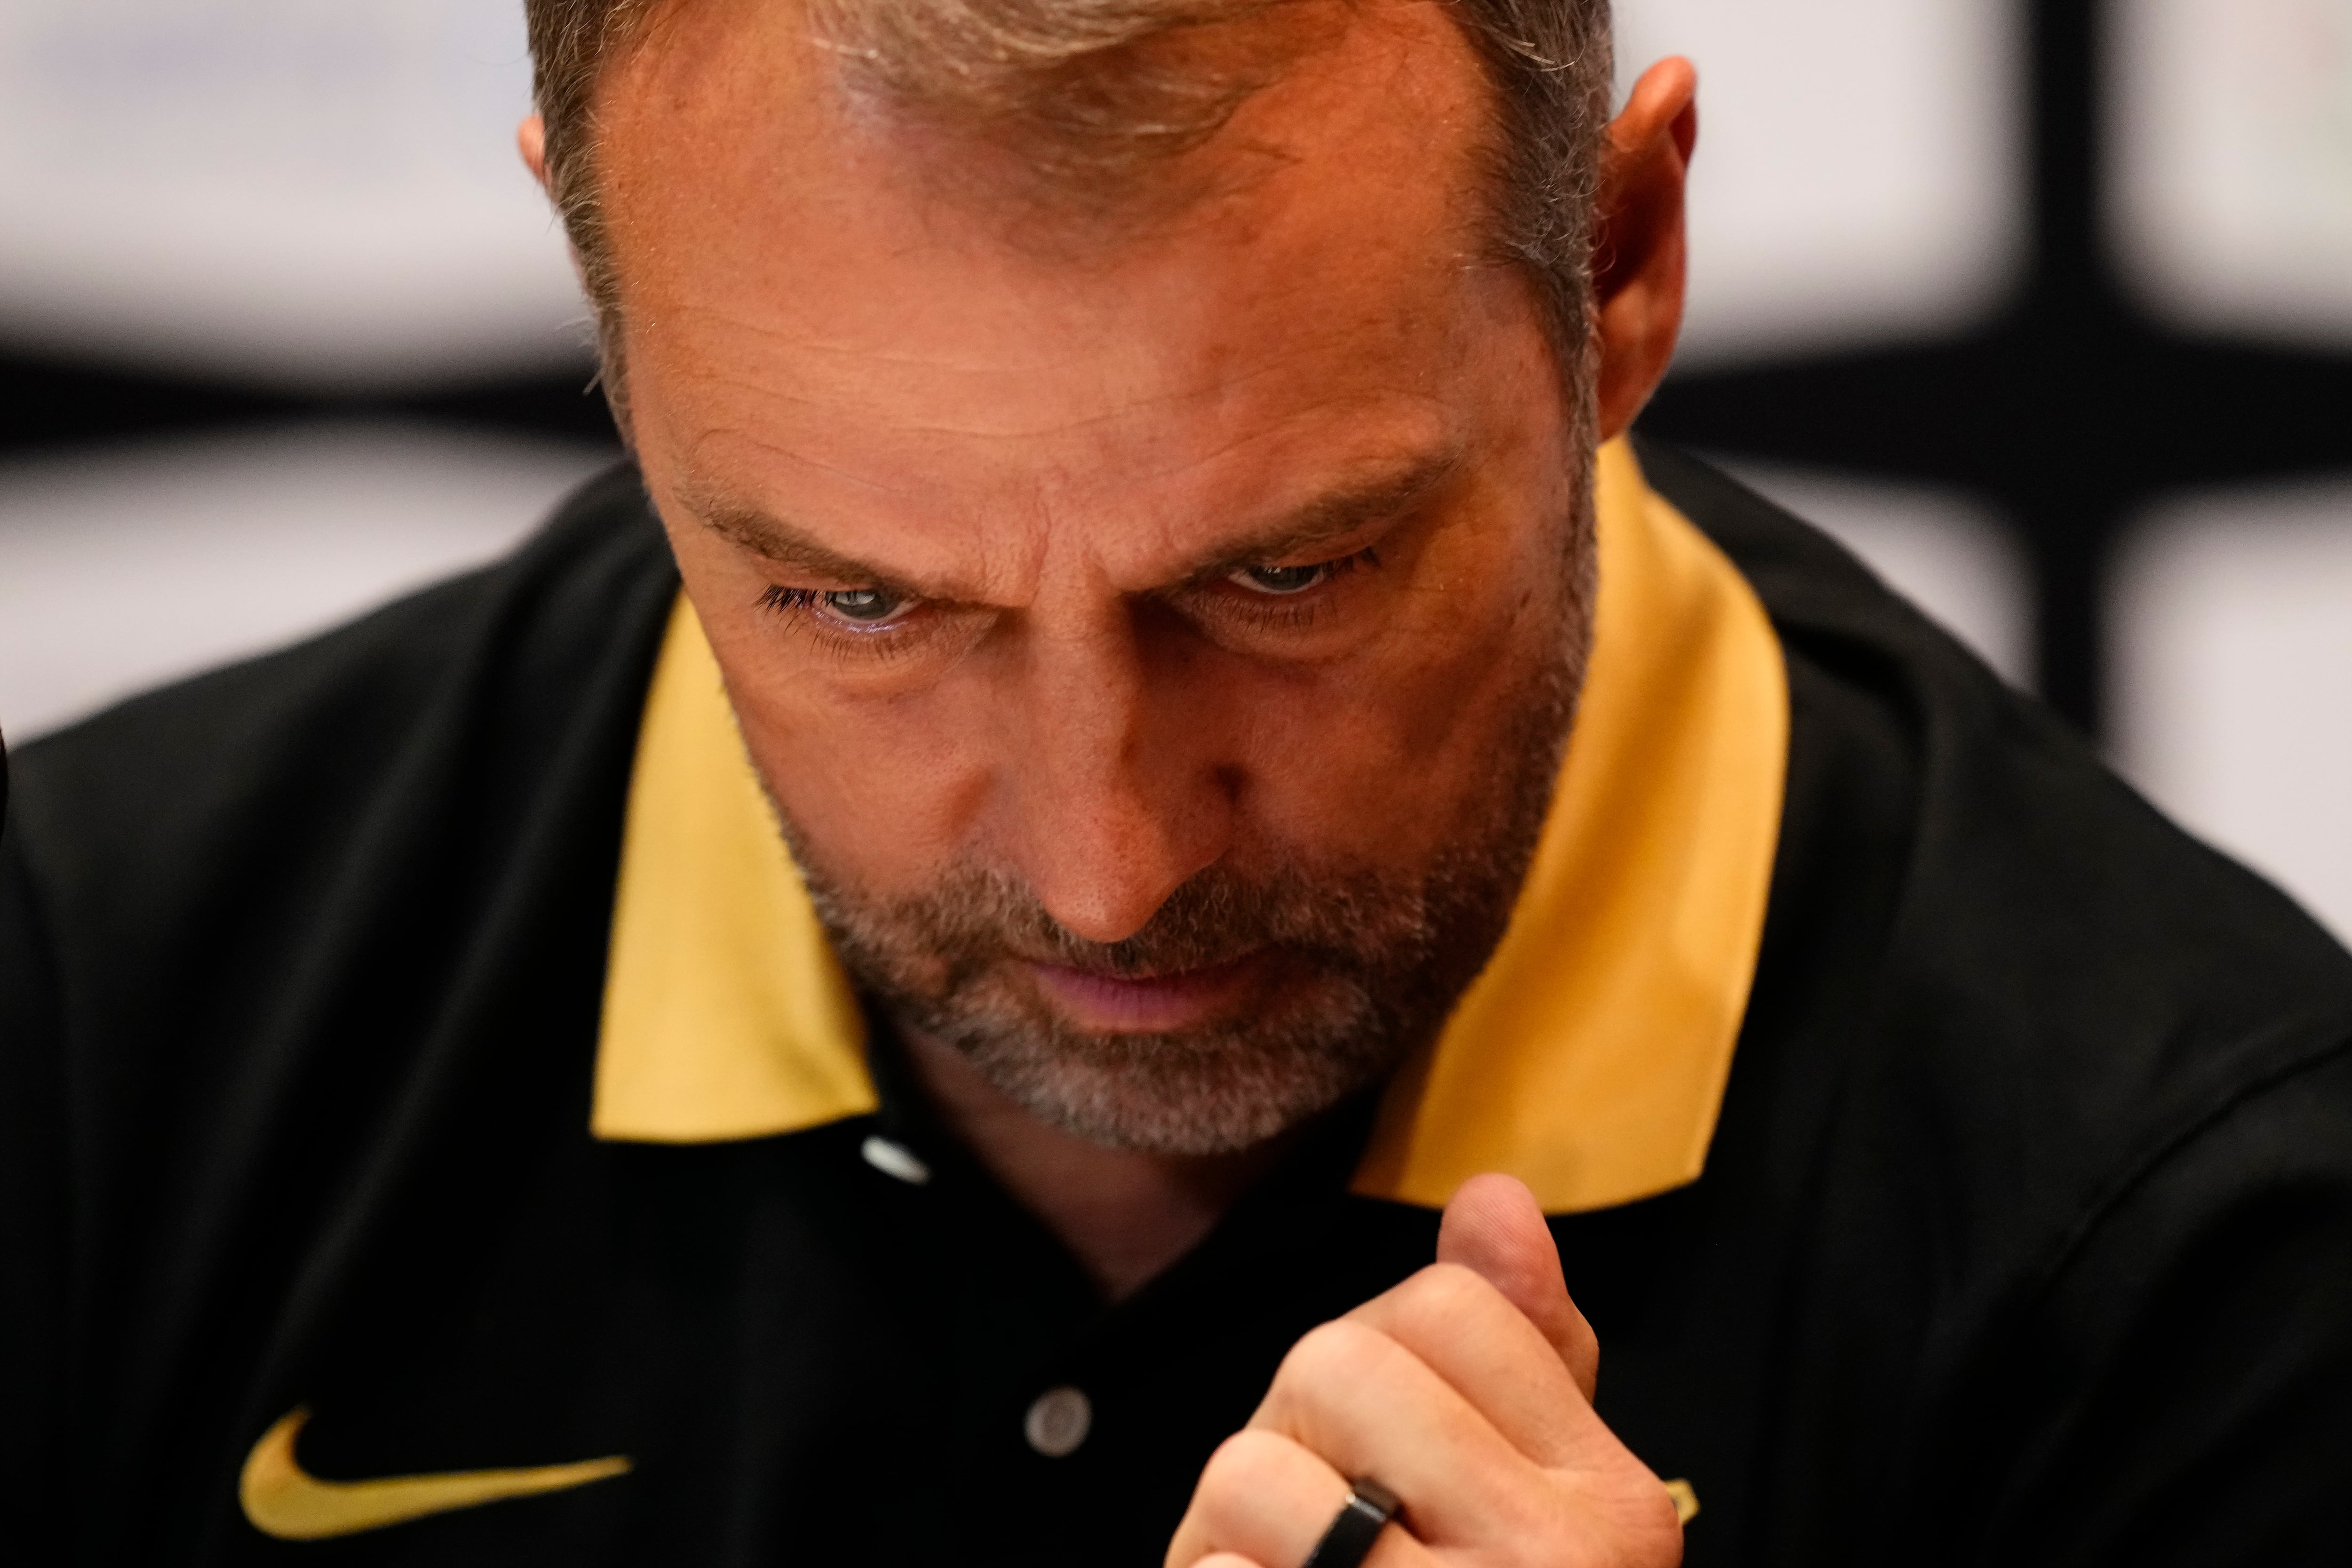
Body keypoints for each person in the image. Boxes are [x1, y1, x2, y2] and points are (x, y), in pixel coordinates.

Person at [3, 0, 2349, 1562]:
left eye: (1288, 574)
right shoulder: (93, 1022)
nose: (1103, 862)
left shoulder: (2202, 1262)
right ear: (605, 307)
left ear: (1618, 267)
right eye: (859, 603)